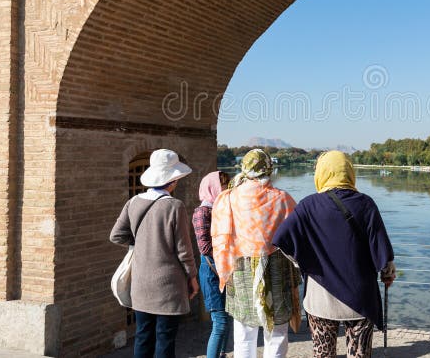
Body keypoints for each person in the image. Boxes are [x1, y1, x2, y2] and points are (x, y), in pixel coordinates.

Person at [273, 150, 396, 358]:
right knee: (359, 355)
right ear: (349, 171)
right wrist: (387, 274)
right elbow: (383, 254)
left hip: (320, 297)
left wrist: (302, 262)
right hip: (360, 298)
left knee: (323, 354)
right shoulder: (365, 204)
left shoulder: (308, 206)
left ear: (321, 173)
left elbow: (281, 239)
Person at [110, 149, 199, 358]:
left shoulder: (133, 203)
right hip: (167, 285)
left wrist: (140, 244)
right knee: (165, 338)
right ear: (173, 180)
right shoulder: (175, 206)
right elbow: (184, 250)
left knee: (143, 335)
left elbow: (116, 236)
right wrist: (192, 277)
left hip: (140, 282)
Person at [211, 149, 301, 358]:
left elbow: (219, 235)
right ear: (268, 168)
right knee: (276, 331)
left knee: (243, 332)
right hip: (276, 271)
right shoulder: (282, 199)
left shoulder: (228, 198)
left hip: (240, 270)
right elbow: (298, 237)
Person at [194, 170, 233, 358]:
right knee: (220, 322)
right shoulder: (203, 211)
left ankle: (223, 354)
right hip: (212, 271)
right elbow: (204, 247)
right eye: (224, 185)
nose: (226, 189)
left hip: (224, 270)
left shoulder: (221, 208)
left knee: (228, 319)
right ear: (214, 187)